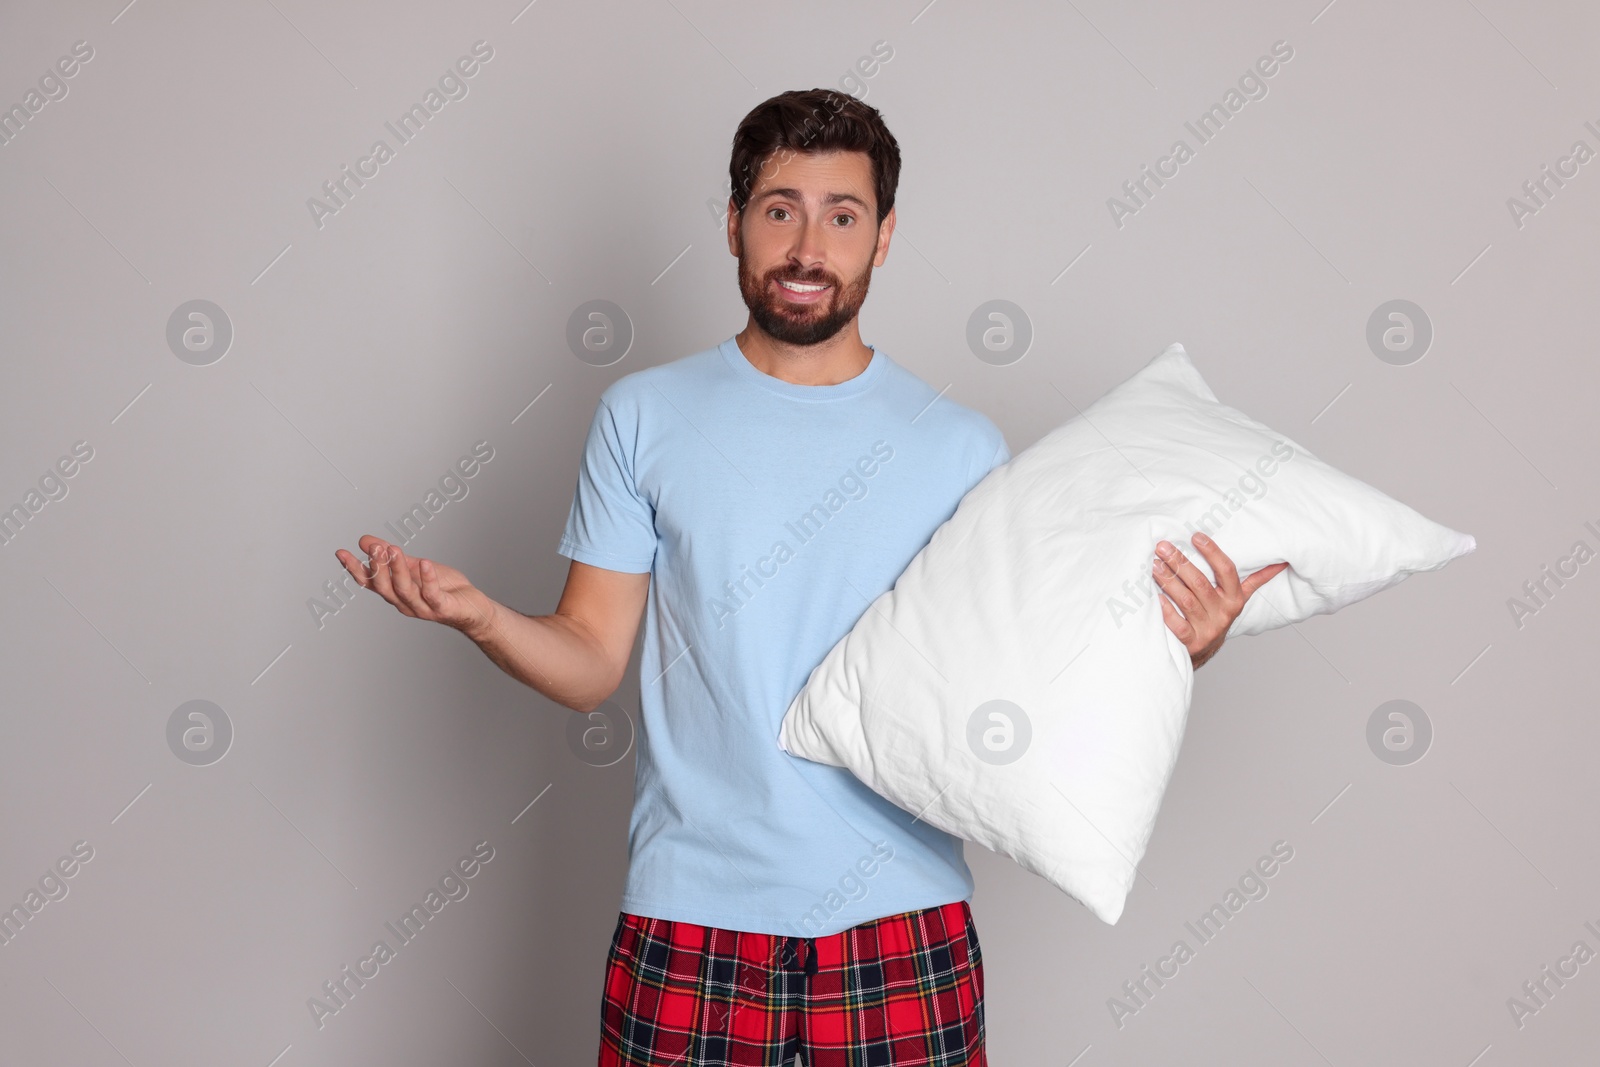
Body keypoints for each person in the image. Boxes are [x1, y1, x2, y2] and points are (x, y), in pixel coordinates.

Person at [334, 87, 1286, 1067]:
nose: (806, 245)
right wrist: (481, 615)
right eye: (779, 208)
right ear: (735, 224)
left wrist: (1174, 645)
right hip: (690, 918)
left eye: (842, 215)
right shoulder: (643, 416)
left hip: (903, 917)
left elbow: (1019, 683)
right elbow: (589, 662)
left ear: (883, 237)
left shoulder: (958, 446)